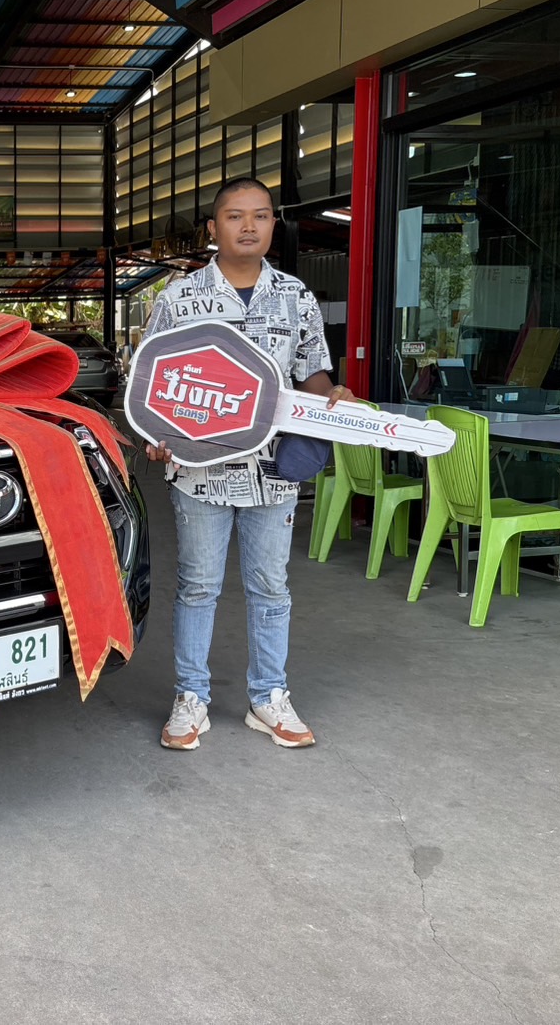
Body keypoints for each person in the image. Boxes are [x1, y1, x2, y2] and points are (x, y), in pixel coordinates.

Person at [141, 178, 354, 750]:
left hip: (273, 472)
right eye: (235, 216)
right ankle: (191, 698)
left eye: (260, 215)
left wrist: (332, 395)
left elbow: (312, 372)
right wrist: (157, 436)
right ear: (214, 228)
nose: (249, 226)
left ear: (273, 225)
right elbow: (155, 376)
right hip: (199, 472)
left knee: (270, 588)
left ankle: (268, 697)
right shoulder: (180, 298)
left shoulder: (295, 295)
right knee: (198, 587)